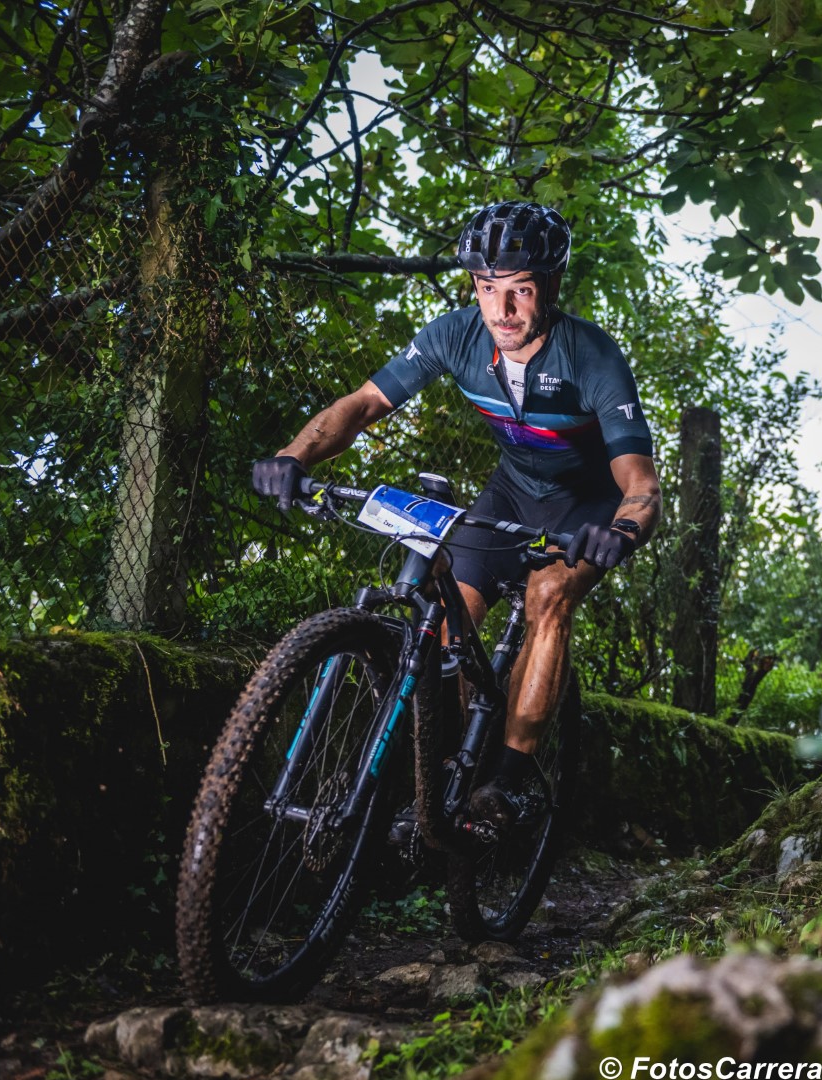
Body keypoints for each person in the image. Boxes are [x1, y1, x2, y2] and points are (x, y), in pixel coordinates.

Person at [251, 200, 661, 834]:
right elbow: (364, 404)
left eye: (520, 289)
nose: (502, 309)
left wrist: (623, 529)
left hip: (587, 506)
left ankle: (507, 781)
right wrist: (293, 454)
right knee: (448, 618)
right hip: (510, 495)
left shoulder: (593, 356)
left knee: (548, 596)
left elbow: (640, 483)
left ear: (551, 286)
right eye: (487, 288)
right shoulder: (455, 335)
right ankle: (451, 767)